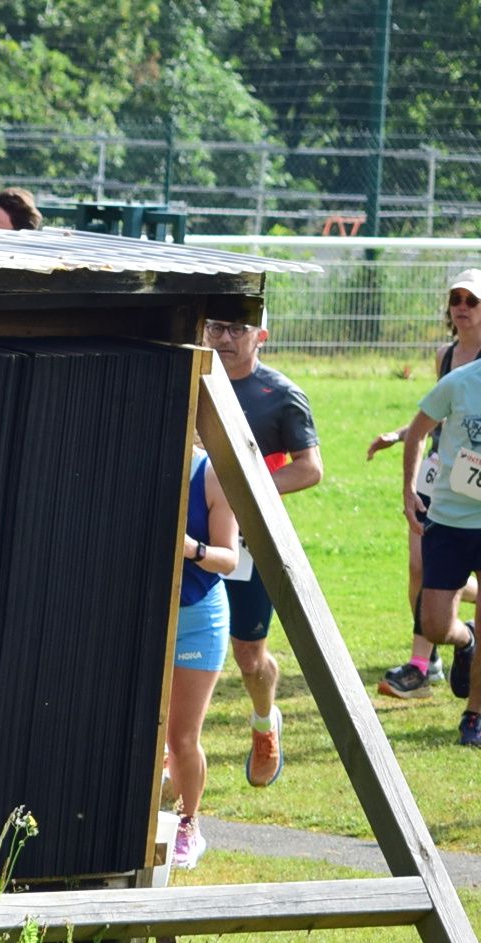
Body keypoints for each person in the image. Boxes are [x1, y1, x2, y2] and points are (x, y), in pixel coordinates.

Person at [199, 317, 323, 785]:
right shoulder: (192, 380)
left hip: (249, 542)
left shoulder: (281, 394)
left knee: (249, 655)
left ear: (261, 337)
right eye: (216, 328)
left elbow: (309, 469)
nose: (224, 339)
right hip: (191, 539)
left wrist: (246, 490)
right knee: (171, 642)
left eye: (237, 329)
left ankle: (265, 722)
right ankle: (170, 749)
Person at [373, 271, 481, 703]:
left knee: (437, 572)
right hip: (440, 471)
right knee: (419, 566)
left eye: (471, 300)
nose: (462, 307)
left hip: (470, 480)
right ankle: (427, 659)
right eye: (456, 299)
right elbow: (439, 415)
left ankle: (425, 660)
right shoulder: (446, 355)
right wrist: (401, 435)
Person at [169, 452, 244, 867]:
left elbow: (229, 559)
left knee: (181, 737)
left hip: (199, 618)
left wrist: (191, 548)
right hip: (148, 614)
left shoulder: (210, 474)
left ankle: (188, 826)